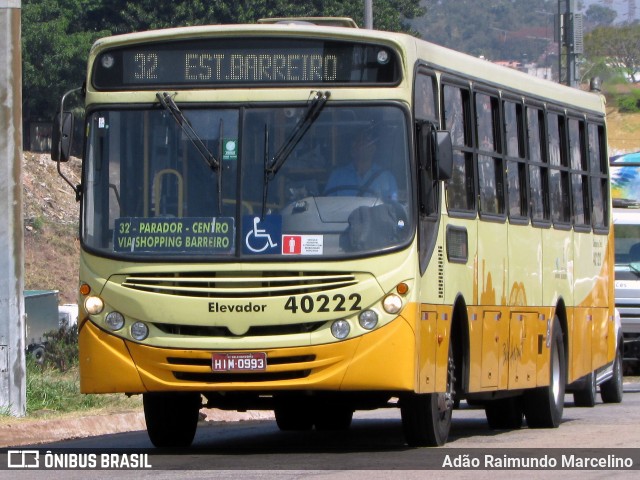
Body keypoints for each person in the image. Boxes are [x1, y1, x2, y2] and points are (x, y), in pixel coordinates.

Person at [323, 129, 398, 202]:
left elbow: (392, 209)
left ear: (373, 149)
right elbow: (327, 206)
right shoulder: (337, 176)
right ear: (351, 149)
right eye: (355, 142)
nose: (358, 145)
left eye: (364, 142)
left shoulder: (387, 177)